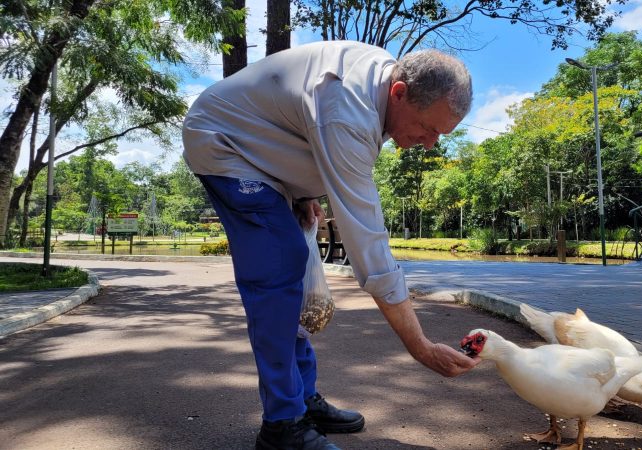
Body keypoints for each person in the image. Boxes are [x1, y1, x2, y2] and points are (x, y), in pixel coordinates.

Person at [182, 40, 479, 450]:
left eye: (439, 135)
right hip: (224, 142)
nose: (430, 144)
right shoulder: (349, 110)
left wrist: (304, 194)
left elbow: (300, 123)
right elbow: (368, 246)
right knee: (279, 267)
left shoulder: (379, 83)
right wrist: (420, 347)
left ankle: (301, 400)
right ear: (400, 93)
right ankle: (282, 426)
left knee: (294, 272)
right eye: (429, 128)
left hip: (262, 150)